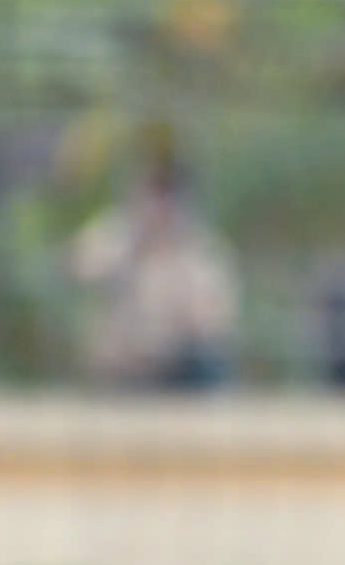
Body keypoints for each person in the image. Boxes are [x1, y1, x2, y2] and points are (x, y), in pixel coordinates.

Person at [66, 138, 239, 388]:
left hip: (174, 367)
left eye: (167, 194)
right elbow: (76, 269)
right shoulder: (114, 234)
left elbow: (213, 323)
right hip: (118, 362)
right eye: (153, 193)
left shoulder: (202, 251)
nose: (159, 206)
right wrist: (130, 252)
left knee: (206, 361)